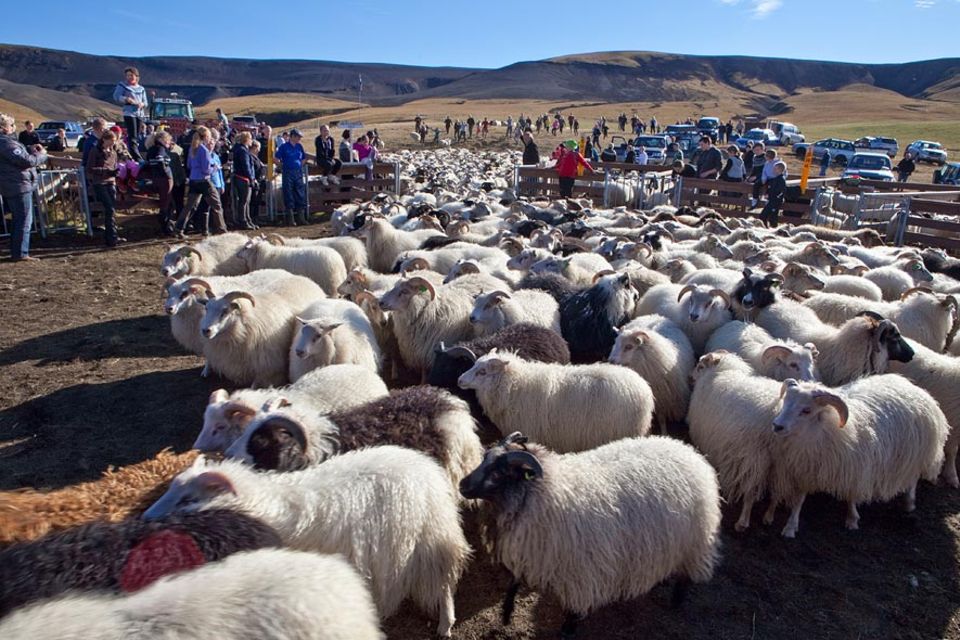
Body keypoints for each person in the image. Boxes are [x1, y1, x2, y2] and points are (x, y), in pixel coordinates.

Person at [0, 113, 47, 261]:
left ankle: (18, 251)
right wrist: (42, 155)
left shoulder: (7, 143)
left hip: (10, 183)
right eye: (11, 125)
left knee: (18, 219)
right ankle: (20, 252)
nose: (14, 128)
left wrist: (28, 148)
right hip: (17, 185)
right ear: (4, 128)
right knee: (24, 220)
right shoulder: (6, 143)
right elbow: (25, 161)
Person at [176, 126, 228, 237]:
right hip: (204, 181)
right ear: (206, 137)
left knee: (189, 207)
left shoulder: (192, 148)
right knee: (217, 205)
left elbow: (189, 165)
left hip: (193, 180)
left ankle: (178, 228)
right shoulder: (204, 150)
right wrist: (215, 167)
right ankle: (222, 230)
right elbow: (206, 170)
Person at [87, 129, 124, 247]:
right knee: (109, 208)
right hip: (100, 183)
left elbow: (114, 165)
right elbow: (90, 168)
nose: (113, 143)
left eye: (114, 141)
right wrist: (105, 171)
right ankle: (111, 237)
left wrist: (115, 172)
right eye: (111, 141)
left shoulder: (113, 152)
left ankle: (112, 235)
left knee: (112, 209)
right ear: (104, 140)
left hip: (111, 182)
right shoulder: (95, 151)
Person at [275, 128, 309, 226]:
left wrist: (299, 166)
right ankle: (290, 219)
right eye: (298, 137)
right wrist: (283, 166)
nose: (299, 139)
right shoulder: (284, 147)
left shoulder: (299, 146)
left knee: (300, 193)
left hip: (298, 172)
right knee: (288, 193)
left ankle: (301, 218)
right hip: (287, 172)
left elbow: (304, 158)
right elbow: (276, 158)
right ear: (292, 136)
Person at [112, 67, 147, 161]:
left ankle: (135, 153)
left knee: (137, 135)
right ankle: (137, 157)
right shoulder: (122, 85)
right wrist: (126, 99)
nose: (129, 77)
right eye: (127, 75)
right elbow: (116, 96)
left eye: (131, 75)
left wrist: (141, 104)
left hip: (139, 114)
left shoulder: (141, 89)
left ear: (136, 76)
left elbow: (146, 102)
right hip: (129, 113)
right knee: (132, 136)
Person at [146, 130, 175, 235]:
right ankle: (165, 228)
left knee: (165, 203)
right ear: (161, 140)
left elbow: (149, 163)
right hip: (165, 179)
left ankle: (165, 226)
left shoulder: (151, 149)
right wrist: (166, 172)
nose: (168, 142)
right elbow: (160, 160)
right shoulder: (160, 149)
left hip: (156, 178)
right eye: (167, 140)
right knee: (166, 203)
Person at [231, 131, 257, 230]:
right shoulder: (243, 150)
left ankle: (247, 219)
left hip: (240, 177)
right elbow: (246, 166)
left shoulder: (240, 149)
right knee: (244, 201)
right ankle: (244, 221)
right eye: (250, 139)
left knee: (244, 201)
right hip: (243, 178)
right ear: (246, 139)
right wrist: (251, 178)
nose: (251, 141)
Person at [759, 161, 787, 228]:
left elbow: (781, 191)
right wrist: (767, 193)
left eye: (775, 168)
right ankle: (768, 229)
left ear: (780, 170)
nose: (773, 170)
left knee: (766, 216)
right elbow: (770, 188)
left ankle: (768, 229)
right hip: (771, 200)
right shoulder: (774, 179)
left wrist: (773, 196)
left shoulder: (781, 180)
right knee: (769, 216)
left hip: (775, 201)